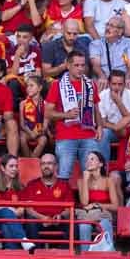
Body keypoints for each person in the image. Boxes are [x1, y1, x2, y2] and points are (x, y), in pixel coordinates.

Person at [46, 49, 100, 179]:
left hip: (88, 134)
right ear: (68, 65)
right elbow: (48, 113)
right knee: (64, 173)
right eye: (76, 65)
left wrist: (100, 127)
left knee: (92, 175)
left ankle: (89, 200)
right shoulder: (57, 85)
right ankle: (61, 200)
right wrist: (66, 115)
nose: (80, 69)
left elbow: (96, 109)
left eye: (83, 65)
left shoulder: (91, 84)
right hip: (66, 136)